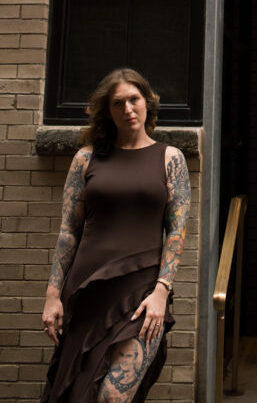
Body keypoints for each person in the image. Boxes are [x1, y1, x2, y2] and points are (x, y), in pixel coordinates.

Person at [40, 68, 191, 403]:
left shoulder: (171, 159)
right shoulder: (86, 158)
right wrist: (53, 294)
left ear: (148, 102)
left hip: (142, 294)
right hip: (87, 290)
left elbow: (176, 234)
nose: (128, 109)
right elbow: (68, 230)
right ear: (107, 111)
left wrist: (162, 291)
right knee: (78, 393)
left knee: (112, 396)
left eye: (134, 100)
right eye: (118, 103)